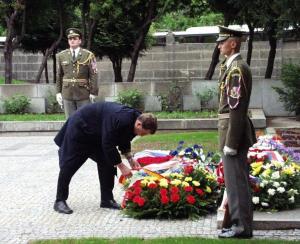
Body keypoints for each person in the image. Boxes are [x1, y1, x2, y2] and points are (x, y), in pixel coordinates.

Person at [53, 101, 157, 214]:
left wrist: (130, 159)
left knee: (108, 162)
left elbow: (124, 138)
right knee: (69, 165)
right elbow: (108, 144)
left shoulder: (135, 119)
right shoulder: (122, 119)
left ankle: (107, 199)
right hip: (81, 128)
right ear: (139, 125)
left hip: (98, 134)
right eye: (144, 133)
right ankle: (59, 201)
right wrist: (122, 166)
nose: (142, 135)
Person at [216, 26, 256, 238]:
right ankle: (238, 224)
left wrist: (231, 142)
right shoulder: (230, 66)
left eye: (222, 41)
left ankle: (241, 228)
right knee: (234, 181)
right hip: (230, 130)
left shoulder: (237, 69)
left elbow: (236, 109)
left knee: (237, 182)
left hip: (233, 132)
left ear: (233, 43)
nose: (219, 45)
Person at [56, 28, 98, 118]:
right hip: (67, 93)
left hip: (83, 93)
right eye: (70, 39)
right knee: (70, 121)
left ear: (80, 41)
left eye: (75, 38)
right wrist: (58, 92)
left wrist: (93, 92)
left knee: (84, 120)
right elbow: (59, 75)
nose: (72, 41)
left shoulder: (88, 55)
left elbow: (93, 74)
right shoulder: (61, 56)